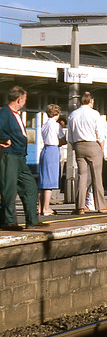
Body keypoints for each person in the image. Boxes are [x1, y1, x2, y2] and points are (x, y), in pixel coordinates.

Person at [0, 86, 42, 230]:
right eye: (24, 100)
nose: (25, 102)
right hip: (9, 156)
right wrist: (4, 139)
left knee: (29, 186)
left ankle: (32, 220)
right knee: (9, 189)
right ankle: (8, 222)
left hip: (20, 157)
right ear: (19, 99)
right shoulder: (4, 113)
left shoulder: (15, 114)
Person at [67, 91, 107, 214]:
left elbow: (70, 135)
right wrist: (102, 147)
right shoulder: (94, 114)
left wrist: (74, 146)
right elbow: (100, 132)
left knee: (82, 176)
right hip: (93, 144)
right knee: (97, 176)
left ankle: (79, 206)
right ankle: (101, 205)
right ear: (91, 101)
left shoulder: (73, 114)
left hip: (78, 145)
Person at [38, 104, 64, 216]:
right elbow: (63, 140)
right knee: (49, 181)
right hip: (53, 150)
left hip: (44, 150)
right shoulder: (56, 125)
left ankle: (40, 208)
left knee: (42, 180)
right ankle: (46, 208)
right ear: (57, 114)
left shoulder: (44, 125)